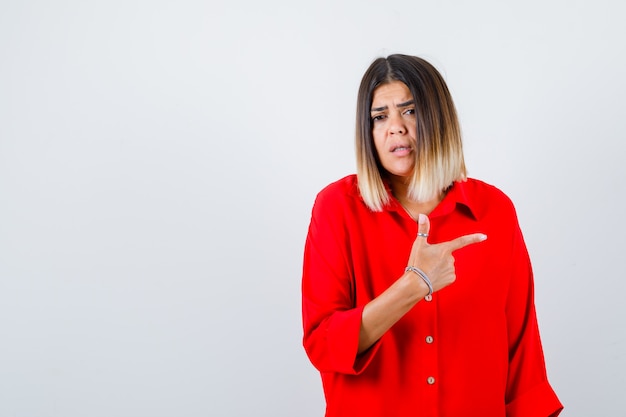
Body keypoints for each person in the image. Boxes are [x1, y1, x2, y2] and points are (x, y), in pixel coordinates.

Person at [301, 54, 563, 417]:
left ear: (438, 119)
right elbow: (324, 345)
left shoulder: (494, 211)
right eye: (380, 117)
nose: (395, 127)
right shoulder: (336, 208)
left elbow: (522, 353)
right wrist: (414, 285)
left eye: (409, 111)